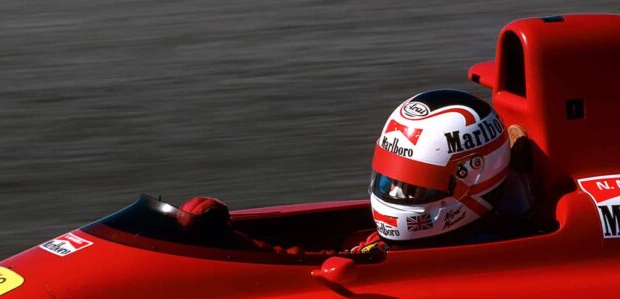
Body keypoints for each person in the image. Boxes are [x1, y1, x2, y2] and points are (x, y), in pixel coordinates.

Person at [179, 89, 533, 254]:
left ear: (472, 179)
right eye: (388, 178)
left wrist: (230, 244)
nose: (391, 195)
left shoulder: (482, 259)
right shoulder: (391, 247)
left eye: (411, 188)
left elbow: (311, 267)